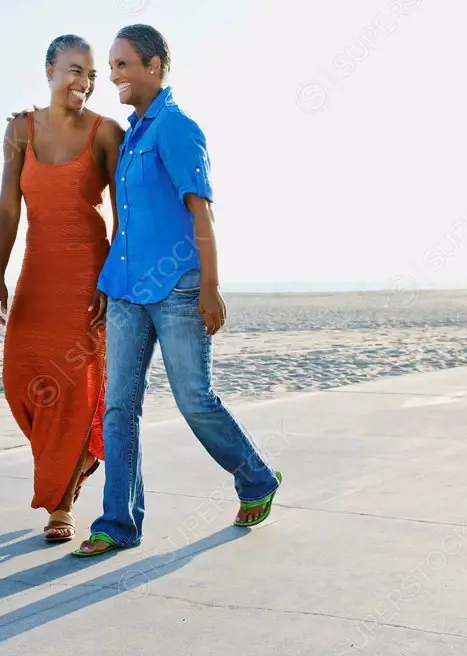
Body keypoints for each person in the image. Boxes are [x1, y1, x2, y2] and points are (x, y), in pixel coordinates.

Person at [69, 25, 282, 558]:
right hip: (125, 292)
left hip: (178, 288)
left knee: (193, 398)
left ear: (155, 65)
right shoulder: (134, 134)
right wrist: (105, 283)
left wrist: (211, 287)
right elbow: (131, 220)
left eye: (122, 65)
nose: (113, 76)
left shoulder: (178, 129)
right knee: (118, 407)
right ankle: (117, 522)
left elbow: (200, 210)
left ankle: (255, 478)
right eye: (111, 66)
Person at [0, 34, 125, 543]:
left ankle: (59, 505)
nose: (84, 83)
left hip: (87, 275)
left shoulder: (106, 133)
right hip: (36, 274)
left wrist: (110, 279)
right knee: (21, 377)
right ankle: (79, 459)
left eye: (90, 75)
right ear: (49, 70)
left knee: (75, 390)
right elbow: (8, 208)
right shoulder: (20, 131)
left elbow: (121, 215)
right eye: (73, 71)